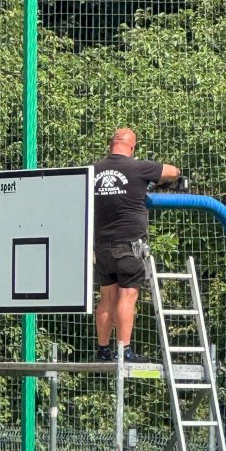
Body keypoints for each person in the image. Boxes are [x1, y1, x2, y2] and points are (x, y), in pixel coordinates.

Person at [93, 127, 182, 362]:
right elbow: (174, 172)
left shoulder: (93, 171)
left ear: (111, 145)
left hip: (101, 246)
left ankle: (103, 350)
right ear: (132, 147)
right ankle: (125, 351)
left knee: (106, 296)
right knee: (127, 295)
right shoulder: (139, 167)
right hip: (129, 245)